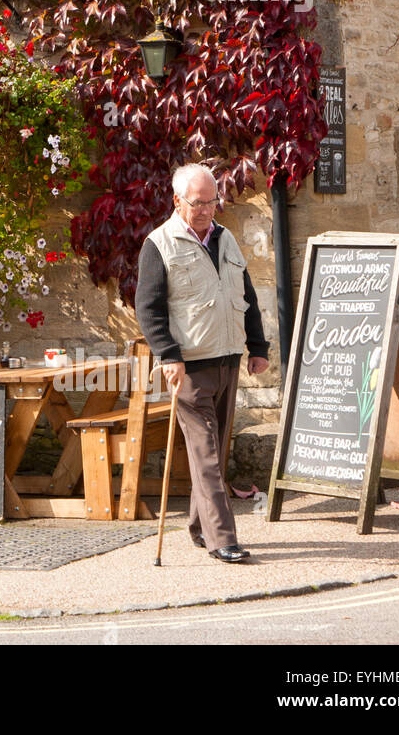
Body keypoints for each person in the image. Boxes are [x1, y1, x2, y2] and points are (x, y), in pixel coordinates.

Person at [134, 163, 270, 563]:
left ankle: (198, 525)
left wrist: (258, 347)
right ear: (177, 201)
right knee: (207, 454)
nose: (208, 210)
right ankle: (222, 539)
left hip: (228, 359)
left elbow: (246, 296)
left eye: (213, 201)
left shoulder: (226, 240)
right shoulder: (159, 244)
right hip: (191, 367)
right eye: (199, 203)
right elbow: (149, 309)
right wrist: (168, 355)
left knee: (213, 452)